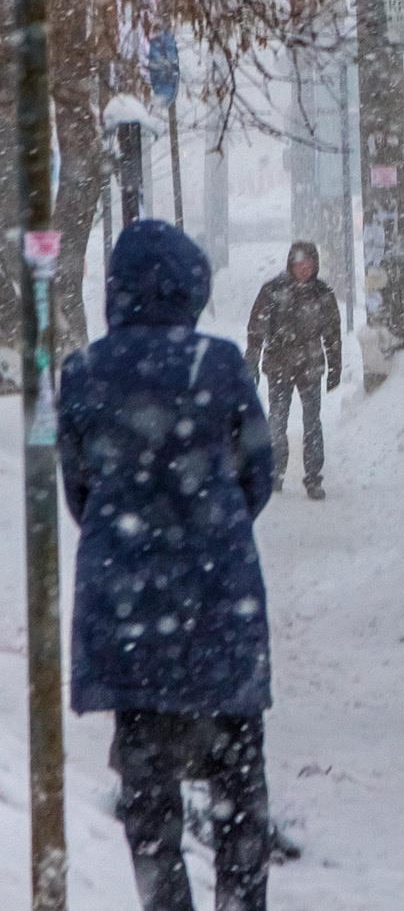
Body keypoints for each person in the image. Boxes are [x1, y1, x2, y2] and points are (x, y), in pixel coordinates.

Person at [59, 220, 277, 911]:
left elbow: (78, 487)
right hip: (219, 605)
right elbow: (258, 471)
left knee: (150, 799)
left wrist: (132, 536)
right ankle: (241, 901)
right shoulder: (220, 363)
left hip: (129, 615)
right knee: (239, 782)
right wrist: (211, 528)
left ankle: (167, 903)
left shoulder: (85, 371)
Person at [245, 240, 341, 500]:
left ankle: (313, 478)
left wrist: (335, 367)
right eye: (299, 263)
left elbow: (332, 334)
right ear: (291, 264)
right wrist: (251, 362)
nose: (304, 269)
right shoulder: (273, 292)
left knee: (312, 422)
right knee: (277, 421)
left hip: (310, 366)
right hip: (278, 366)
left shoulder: (322, 295)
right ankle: (274, 473)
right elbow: (256, 330)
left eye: (308, 263)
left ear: (315, 265)